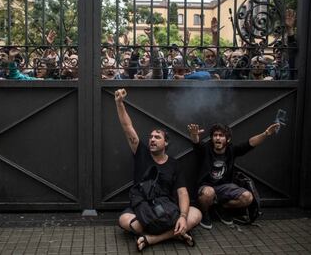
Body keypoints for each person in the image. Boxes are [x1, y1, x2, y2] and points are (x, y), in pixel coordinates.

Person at [115, 88, 201, 251]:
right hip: (142, 206)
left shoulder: (174, 164)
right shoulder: (141, 152)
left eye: (157, 137)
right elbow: (128, 127)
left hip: (167, 209)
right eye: (151, 137)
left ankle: (151, 239)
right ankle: (176, 234)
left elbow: (182, 192)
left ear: (165, 143)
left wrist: (183, 216)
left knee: (195, 213)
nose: (152, 140)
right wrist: (119, 103)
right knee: (124, 220)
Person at [187, 122, 280, 229]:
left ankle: (221, 208)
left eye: (221, 135)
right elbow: (196, 143)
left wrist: (266, 133)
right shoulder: (206, 149)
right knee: (208, 192)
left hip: (225, 187)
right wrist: (194, 135)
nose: (217, 138)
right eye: (215, 135)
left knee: (247, 197)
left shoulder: (231, 150)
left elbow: (250, 143)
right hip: (206, 187)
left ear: (228, 139)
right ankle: (205, 213)